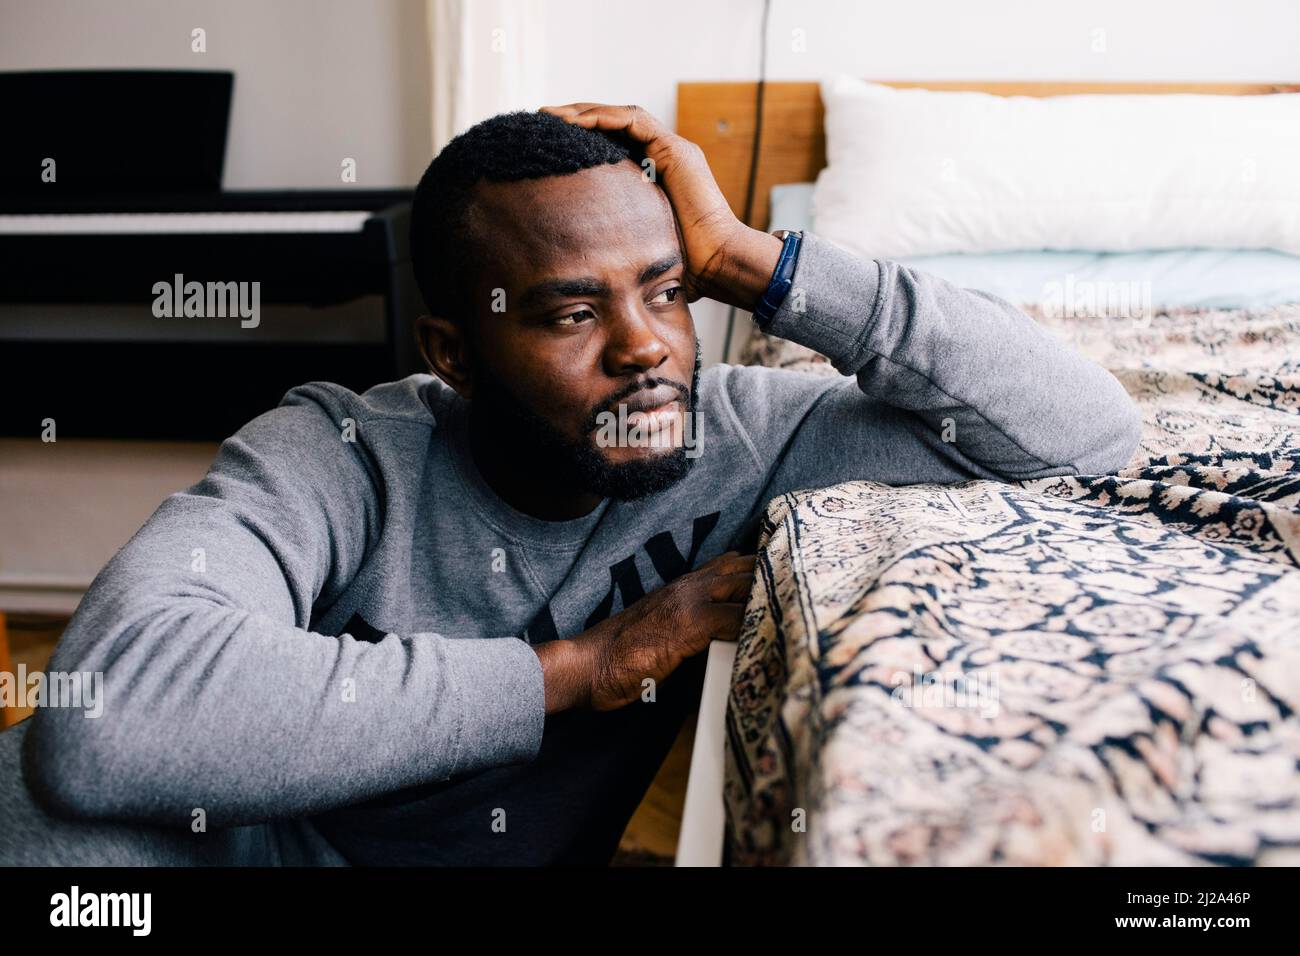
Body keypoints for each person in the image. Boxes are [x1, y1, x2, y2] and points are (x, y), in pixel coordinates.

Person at [0, 103, 1141, 866]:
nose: (646, 344)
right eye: (573, 310)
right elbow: (100, 718)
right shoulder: (336, 452)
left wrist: (760, 259)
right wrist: (583, 665)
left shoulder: (756, 438)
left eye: (668, 290)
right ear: (451, 350)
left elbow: (1083, 439)